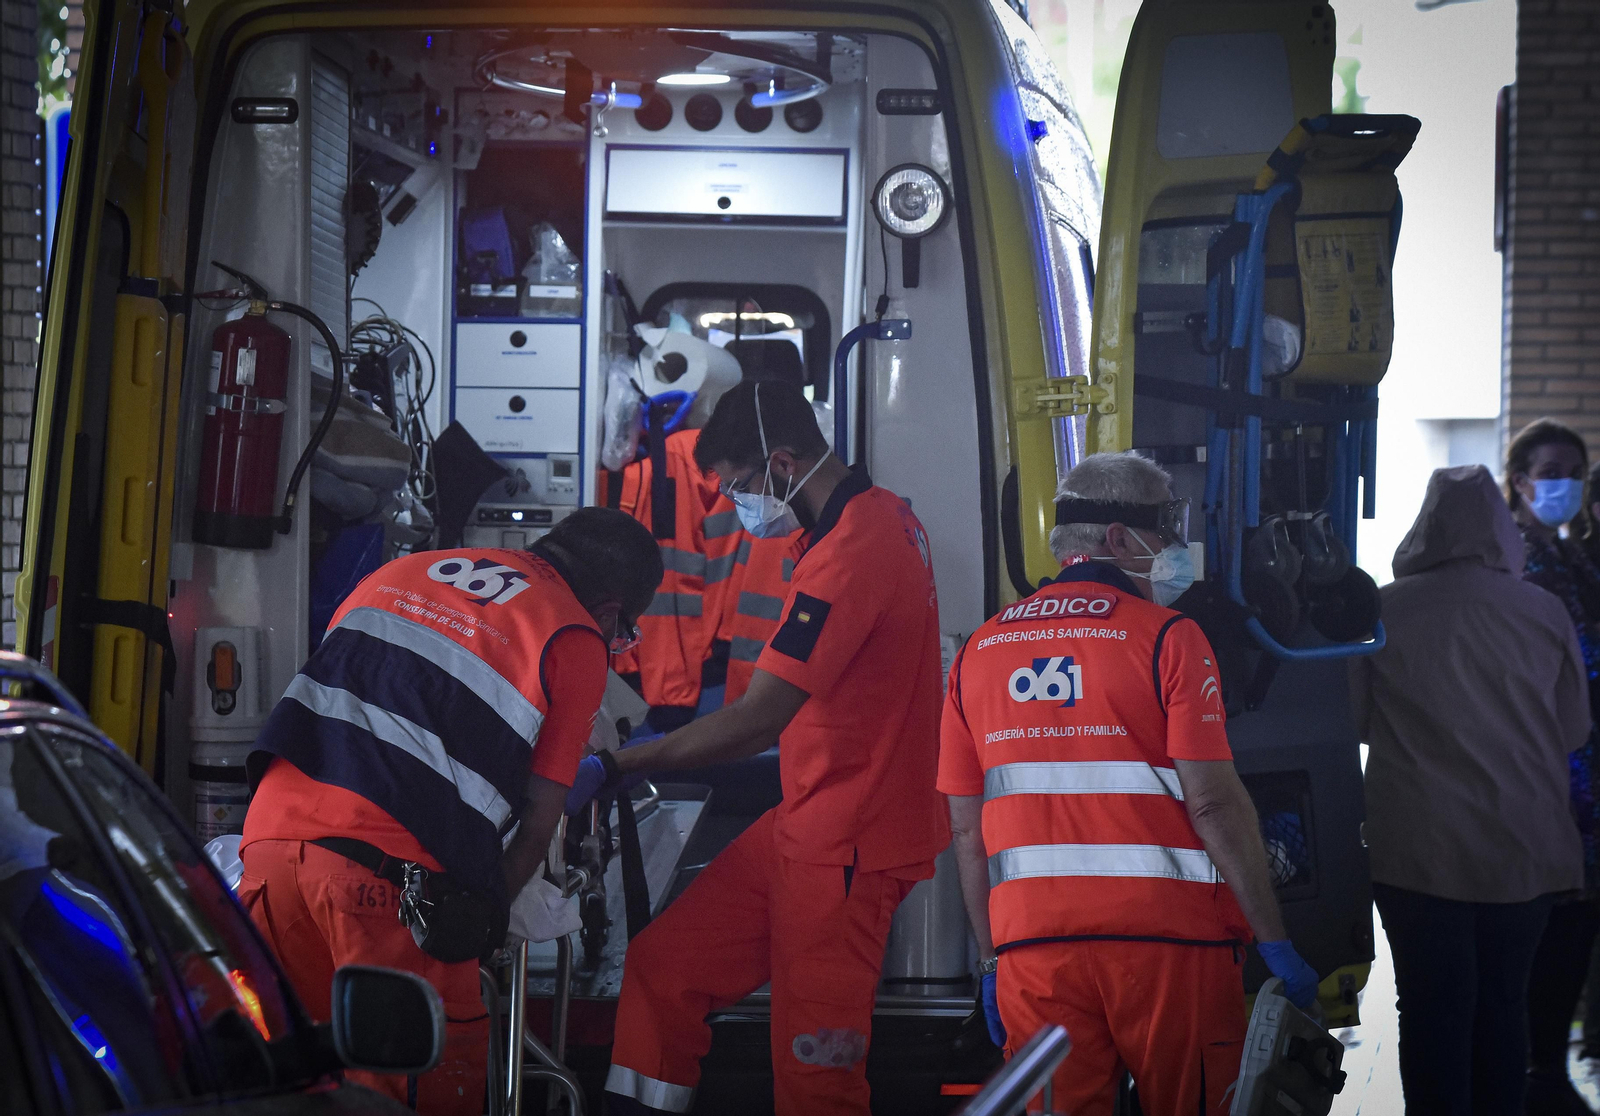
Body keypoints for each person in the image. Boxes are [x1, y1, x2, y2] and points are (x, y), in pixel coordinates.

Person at [572, 379, 949, 1115]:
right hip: (806, 824)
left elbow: (757, 721)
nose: (739, 506)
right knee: (663, 968)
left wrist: (621, 763)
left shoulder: (853, 553)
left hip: (847, 845)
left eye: (741, 486)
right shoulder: (882, 518)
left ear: (781, 464)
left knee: (815, 1072)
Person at [238, 508, 663, 1114]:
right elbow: (541, 819)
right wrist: (485, 925)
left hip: (269, 849)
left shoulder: (401, 570)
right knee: (414, 1089)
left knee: (296, 1088)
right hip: (386, 889)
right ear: (608, 612)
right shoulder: (573, 637)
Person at [938, 451, 1318, 1116]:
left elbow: (968, 832)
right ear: (1118, 538)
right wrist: (1274, 939)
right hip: (1172, 951)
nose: (1176, 546)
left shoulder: (979, 651)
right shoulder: (1169, 637)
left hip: (1035, 954)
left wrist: (992, 963)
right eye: (1166, 528)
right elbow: (1212, 801)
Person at [1350, 464, 1586, 1116]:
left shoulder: (1385, 610)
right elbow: (1573, 729)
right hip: (1525, 843)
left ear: (1424, 525)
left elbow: (1356, 721)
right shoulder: (1544, 609)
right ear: (1502, 531)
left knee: (1429, 1006)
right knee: (1506, 1000)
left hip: (1418, 844)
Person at [1505, 418, 1600, 1113]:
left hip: (1588, 765)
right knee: (1556, 916)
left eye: (1574, 470)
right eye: (1550, 470)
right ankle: (1536, 1069)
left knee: (1580, 913)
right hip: (1552, 765)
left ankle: (1548, 1070)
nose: (1563, 483)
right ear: (1519, 480)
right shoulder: (1516, 562)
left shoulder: (1577, 558)